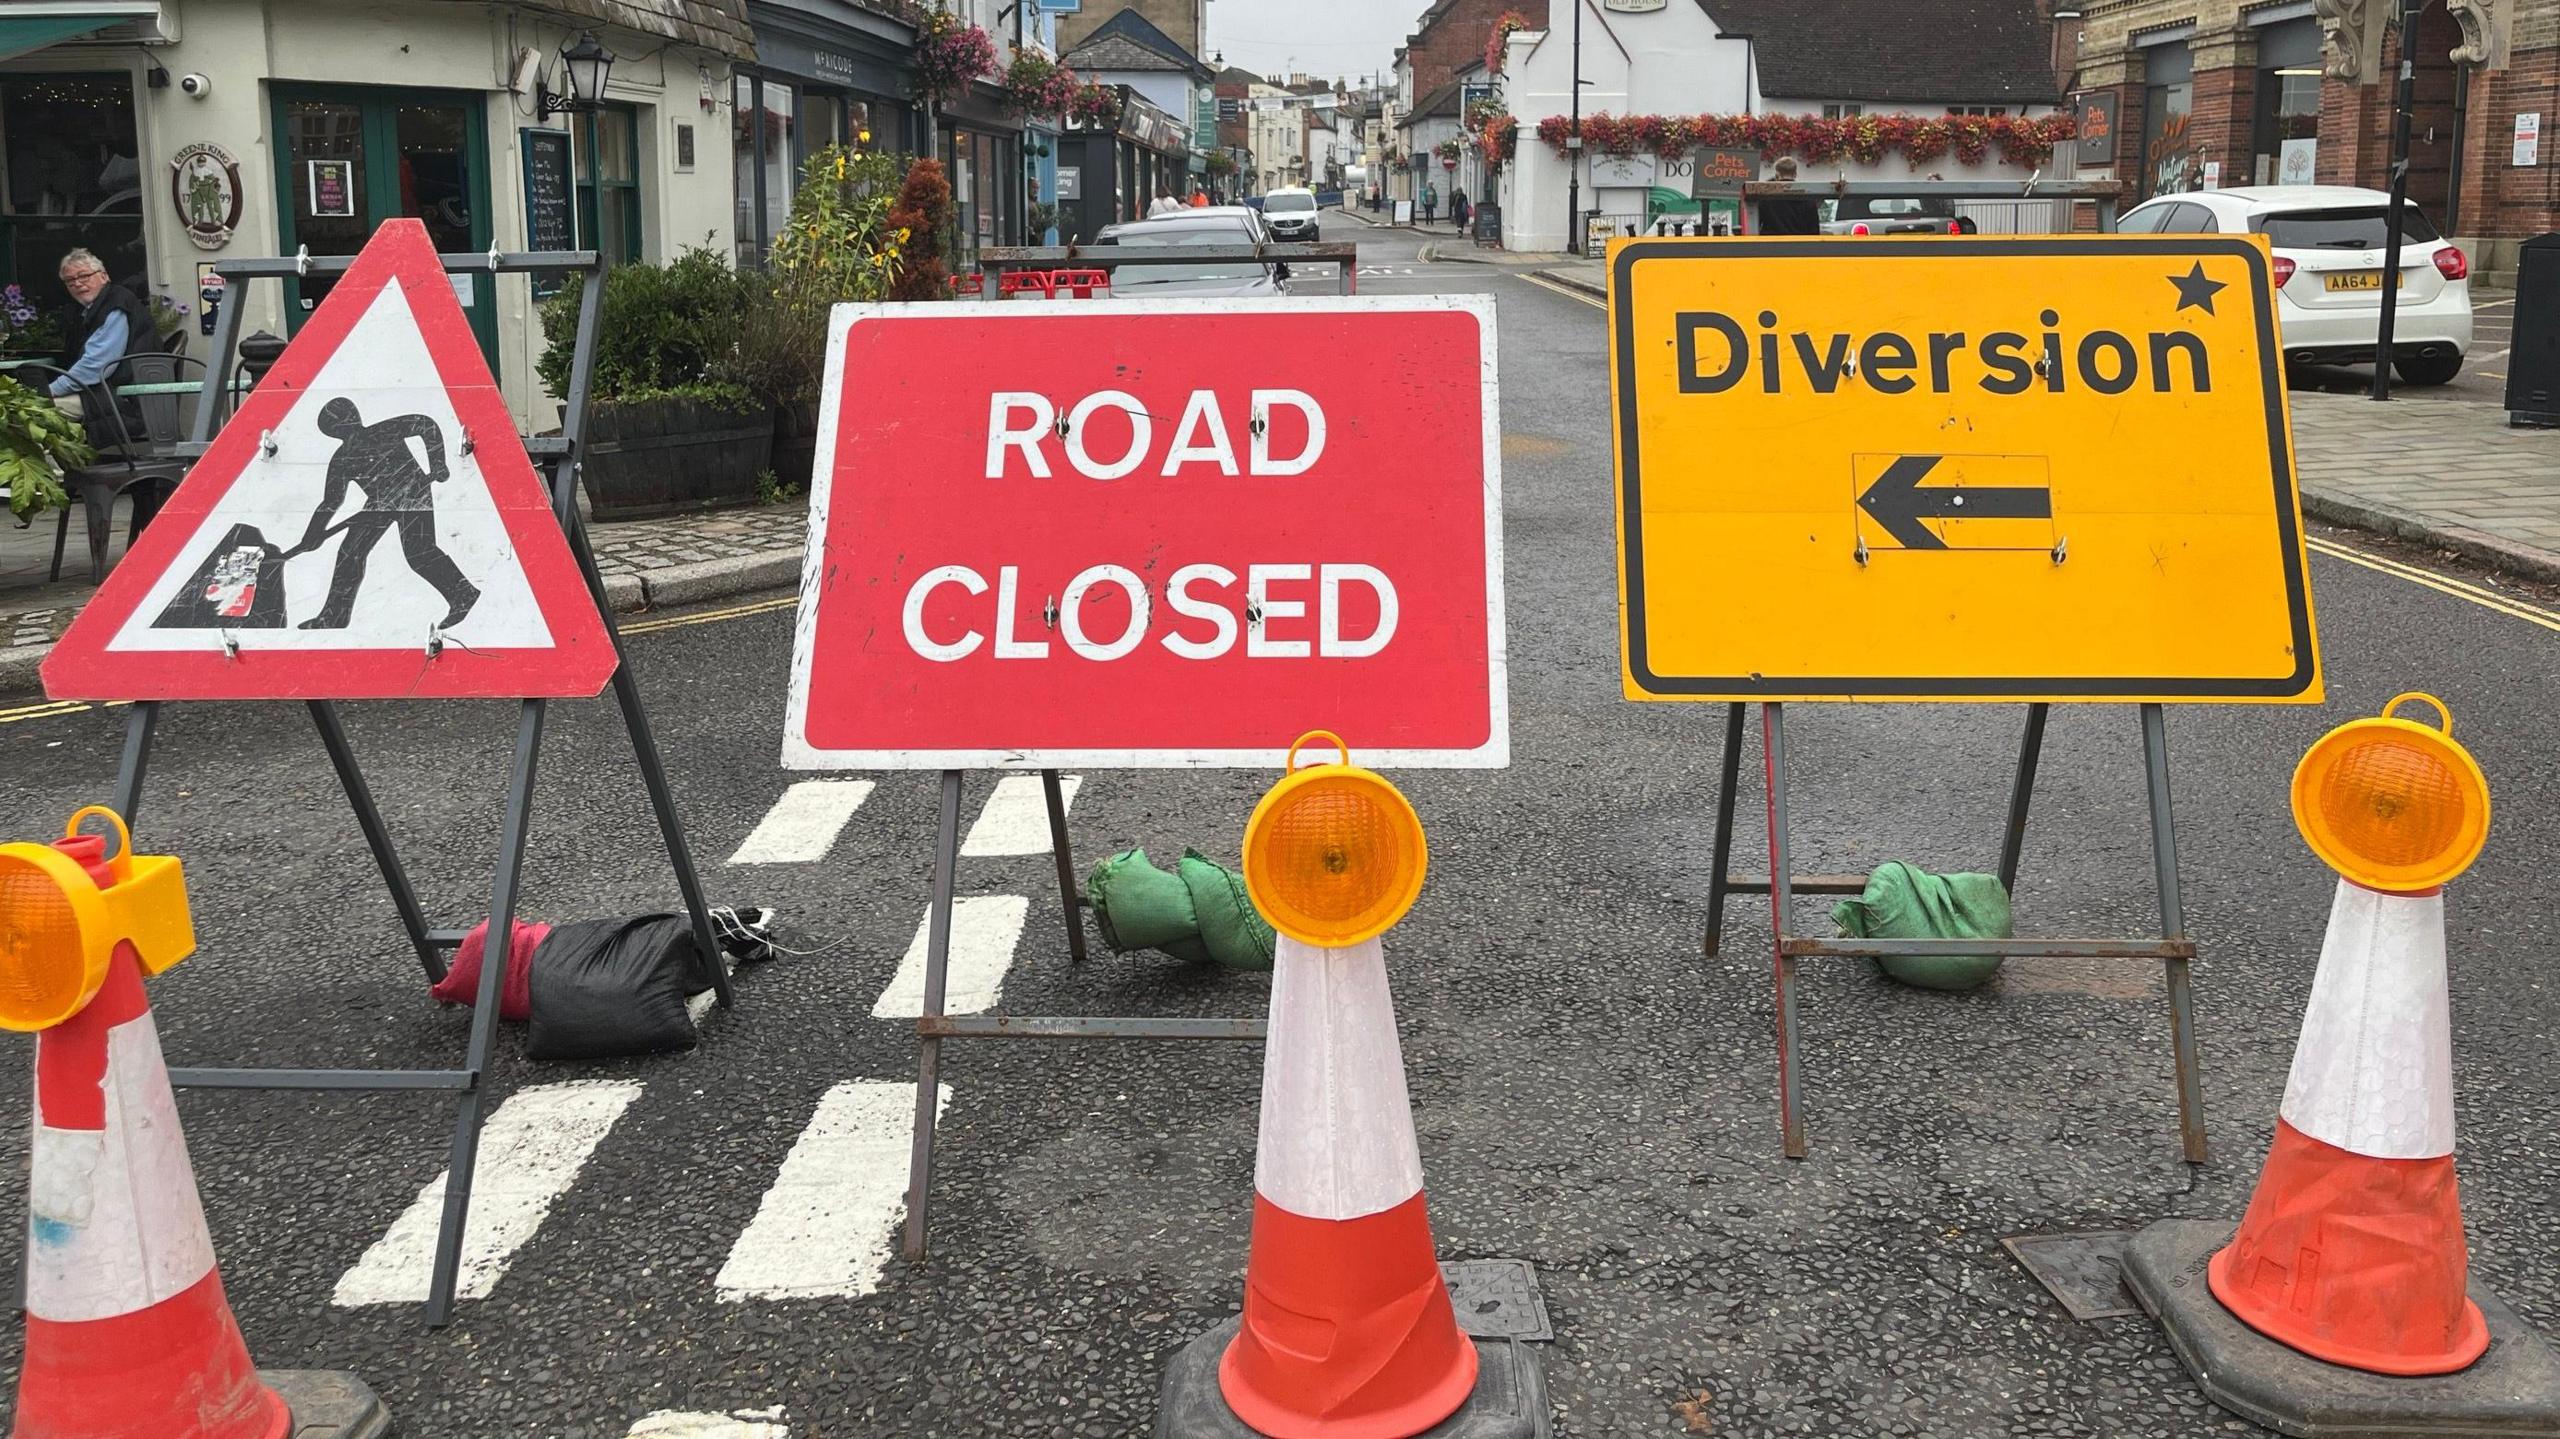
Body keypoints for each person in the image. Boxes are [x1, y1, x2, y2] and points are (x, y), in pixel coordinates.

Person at [288, 397, 481, 631]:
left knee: (419, 552)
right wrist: (313, 534)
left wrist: (437, 462)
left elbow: (425, 424)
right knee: (350, 553)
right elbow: (331, 500)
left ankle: (463, 594)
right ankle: (333, 617)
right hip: (379, 502)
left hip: (412, 492)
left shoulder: (384, 431)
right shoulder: (341, 458)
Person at [47, 248, 150, 427]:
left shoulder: (116, 306)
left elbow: (95, 367)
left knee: (35, 410)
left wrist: (49, 391)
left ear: (104, 276)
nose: (77, 283)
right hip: (108, 395)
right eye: (70, 280)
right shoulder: (90, 311)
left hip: (125, 402)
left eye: (84, 276)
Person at [1754, 156, 1821, 236]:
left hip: (1771, 245)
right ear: (1795, 174)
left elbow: (1756, 223)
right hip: (1799, 245)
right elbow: (1813, 230)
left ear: (1777, 175)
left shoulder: (1766, 198)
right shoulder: (1808, 199)